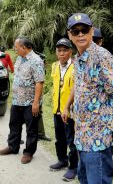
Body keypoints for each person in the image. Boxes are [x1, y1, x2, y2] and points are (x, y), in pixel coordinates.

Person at [62, 13, 113, 184]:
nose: (80, 34)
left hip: (98, 139)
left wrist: (109, 115)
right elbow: (79, 88)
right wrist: (68, 106)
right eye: (75, 31)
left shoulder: (102, 57)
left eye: (84, 30)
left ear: (91, 31)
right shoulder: (78, 59)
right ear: (69, 35)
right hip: (82, 135)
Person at [0, 37, 45, 164]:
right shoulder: (19, 58)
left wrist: (36, 103)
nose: (14, 49)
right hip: (17, 100)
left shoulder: (36, 61)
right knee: (14, 125)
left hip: (30, 103)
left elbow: (39, 83)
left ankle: (29, 152)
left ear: (24, 47)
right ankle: (13, 147)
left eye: (16, 46)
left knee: (31, 129)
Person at [49, 38, 78, 181]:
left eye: (64, 50)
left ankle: (73, 168)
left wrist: (68, 107)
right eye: (59, 50)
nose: (61, 53)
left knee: (71, 141)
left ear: (70, 52)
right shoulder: (54, 66)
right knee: (59, 138)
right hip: (57, 110)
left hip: (71, 112)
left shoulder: (76, 66)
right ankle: (62, 160)